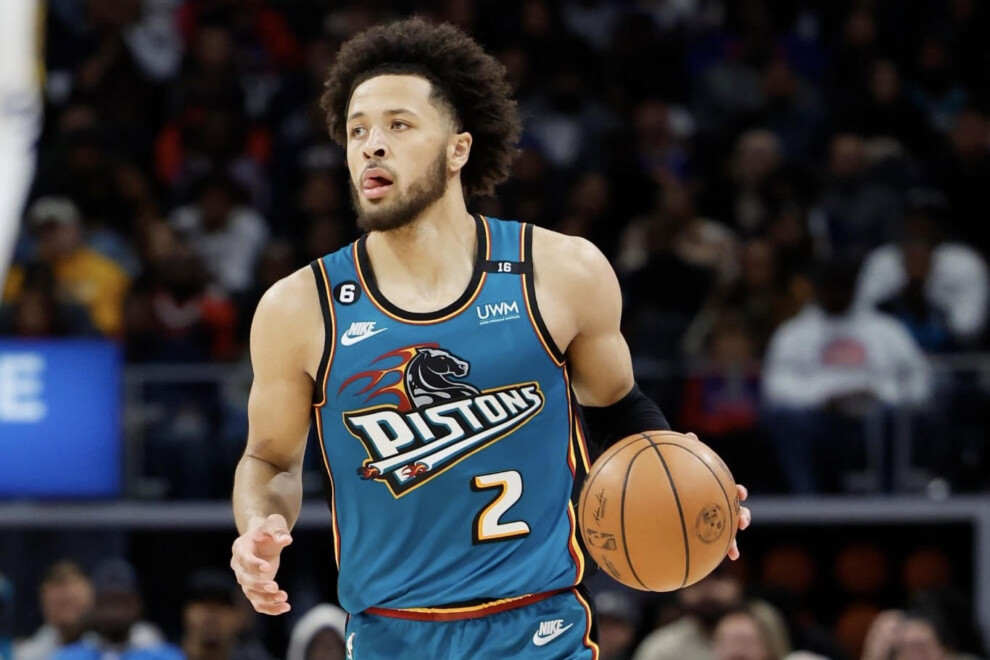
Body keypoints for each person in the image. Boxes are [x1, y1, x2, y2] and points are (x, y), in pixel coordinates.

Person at [229, 17, 750, 660]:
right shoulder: (299, 307)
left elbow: (618, 411)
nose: (372, 146)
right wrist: (257, 526)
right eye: (357, 130)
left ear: (458, 149)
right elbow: (270, 462)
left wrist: (687, 485)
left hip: (540, 627)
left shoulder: (561, 272)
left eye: (399, 125)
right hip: (392, 634)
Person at [53, 558, 181, 660]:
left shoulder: (165, 656)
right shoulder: (67, 657)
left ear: (138, 606)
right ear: (93, 605)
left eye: (122, 602)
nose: (114, 612)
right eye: (107, 602)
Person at [14, 561, 94, 660]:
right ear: (44, 605)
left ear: (90, 599)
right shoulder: (28, 653)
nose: (66, 615)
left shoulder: (106, 648)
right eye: (59, 604)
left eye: (71, 603)